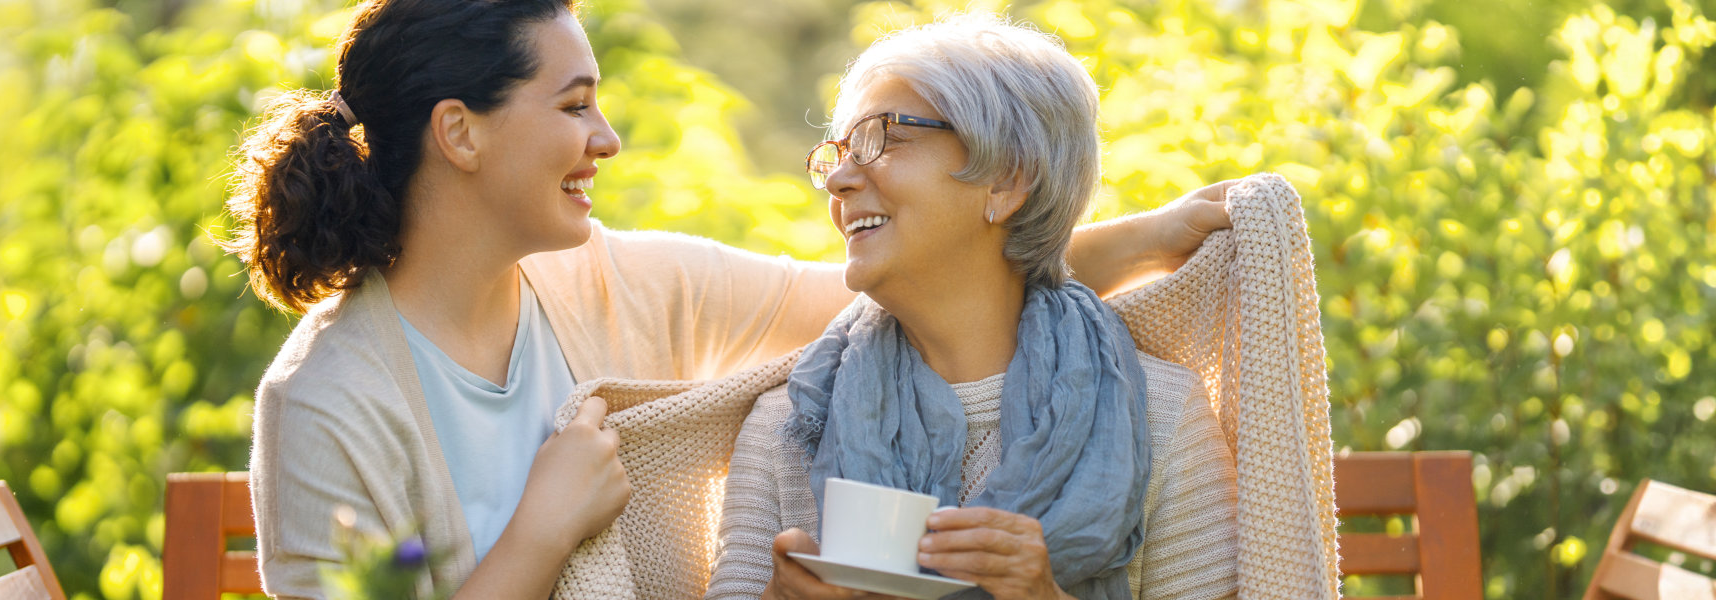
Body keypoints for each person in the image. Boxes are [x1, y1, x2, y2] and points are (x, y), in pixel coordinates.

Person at [223, 0, 1232, 597]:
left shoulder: (613, 282)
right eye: (575, 106)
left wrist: (1137, 236)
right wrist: (539, 535)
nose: (608, 139)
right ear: (462, 133)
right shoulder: (327, 401)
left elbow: (906, 288)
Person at [705, 15, 1239, 600]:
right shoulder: (791, 420)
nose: (838, 180)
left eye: (882, 138)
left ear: (1007, 181)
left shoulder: (1162, 415)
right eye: (838, 153)